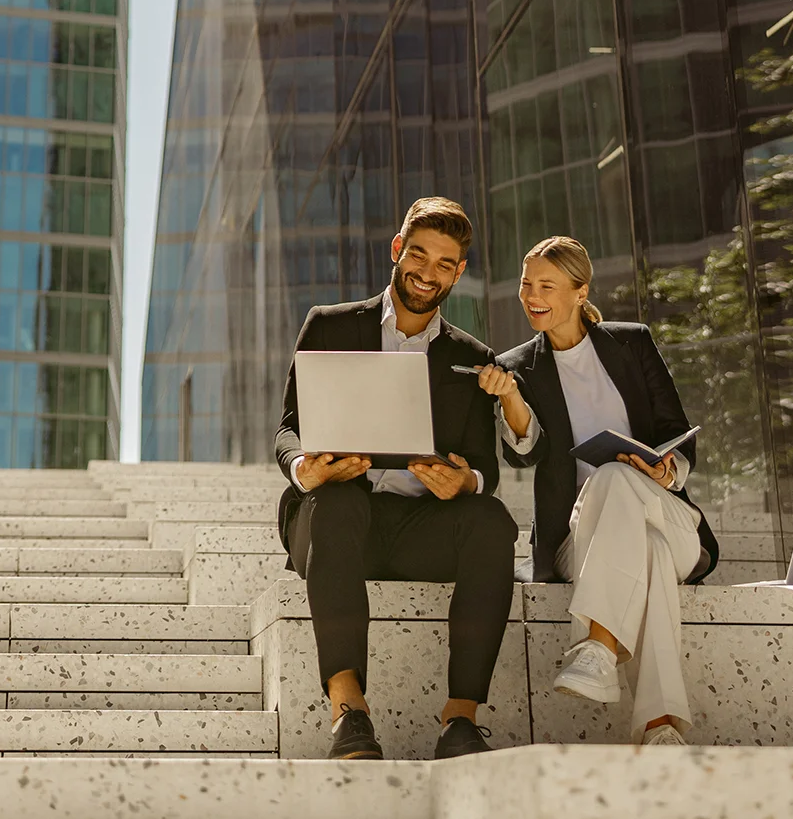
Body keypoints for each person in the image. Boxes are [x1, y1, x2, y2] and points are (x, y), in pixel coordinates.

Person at [274, 197, 519, 761]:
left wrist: (466, 484)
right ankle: (349, 713)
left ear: (459, 272)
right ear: (397, 250)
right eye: (418, 254)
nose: (427, 272)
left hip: (420, 528)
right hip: (336, 523)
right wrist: (304, 469)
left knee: (491, 521)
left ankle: (460, 721)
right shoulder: (329, 325)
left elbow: (486, 467)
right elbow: (289, 428)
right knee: (336, 504)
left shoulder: (471, 356)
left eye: (443, 263)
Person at [476, 236, 719, 746]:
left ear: (580, 291)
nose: (531, 295)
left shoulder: (632, 342)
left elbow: (677, 430)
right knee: (640, 546)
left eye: (547, 285)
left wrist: (664, 470)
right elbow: (524, 453)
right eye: (526, 284)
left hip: (667, 517)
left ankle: (599, 645)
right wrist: (512, 399)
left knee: (617, 480)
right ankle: (659, 727)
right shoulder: (518, 365)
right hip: (578, 541)